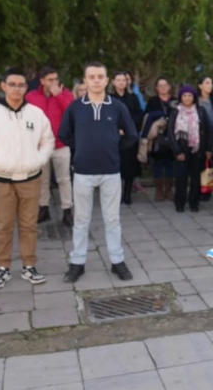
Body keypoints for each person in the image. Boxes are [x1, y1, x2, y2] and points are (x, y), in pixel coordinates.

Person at [0, 68, 54, 289]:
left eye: (21, 85)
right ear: (3, 86)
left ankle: (29, 266)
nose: (17, 88)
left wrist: (38, 159)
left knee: (29, 225)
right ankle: (3, 267)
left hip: (30, 177)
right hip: (1, 179)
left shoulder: (35, 114)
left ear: (26, 88)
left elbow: (48, 141)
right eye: (13, 84)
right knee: (3, 225)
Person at [59, 62, 138, 283]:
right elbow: (63, 134)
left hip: (111, 172)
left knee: (112, 219)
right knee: (81, 219)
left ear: (106, 80)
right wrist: (82, 147)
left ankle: (117, 261)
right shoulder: (75, 107)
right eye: (91, 77)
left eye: (100, 76)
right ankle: (77, 263)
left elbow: (131, 135)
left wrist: (113, 146)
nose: (95, 80)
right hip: (83, 172)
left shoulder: (117, 106)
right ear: (85, 81)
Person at [25, 67, 75, 226]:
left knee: (64, 179)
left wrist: (58, 96)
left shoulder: (65, 94)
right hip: (41, 146)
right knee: (42, 180)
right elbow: (28, 120)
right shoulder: (32, 96)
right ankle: (43, 209)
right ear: (42, 81)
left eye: (56, 79)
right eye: (50, 80)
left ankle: (67, 210)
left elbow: (71, 112)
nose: (54, 82)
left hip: (61, 144)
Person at [168, 85, 213, 212]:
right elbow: (171, 133)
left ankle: (194, 203)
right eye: (184, 95)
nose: (187, 98)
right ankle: (179, 203)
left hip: (197, 150)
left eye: (190, 95)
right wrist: (177, 151)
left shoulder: (200, 111)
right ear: (180, 97)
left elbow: (208, 130)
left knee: (195, 179)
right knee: (180, 179)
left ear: (194, 97)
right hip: (181, 150)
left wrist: (208, 148)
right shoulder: (175, 111)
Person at [109, 71, 143, 205]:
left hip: (129, 137)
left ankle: (127, 193)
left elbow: (138, 115)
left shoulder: (133, 97)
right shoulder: (109, 98)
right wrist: (117, 128)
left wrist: (128, 128)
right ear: (113, 82)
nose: (121, 82)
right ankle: (116, 194)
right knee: (116, 167)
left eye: (124, 80)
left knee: (129, 166)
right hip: (114, 137)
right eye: (118, 80)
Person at [145, 76, 178, 202]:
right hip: (157, 137)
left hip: (172, 136)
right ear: (156, 88)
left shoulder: (175, 101)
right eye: (160, 85)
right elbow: (147, 117)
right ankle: (159, 190)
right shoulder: (152, 101)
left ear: (169, 87)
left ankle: (169, 190)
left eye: (165, 85)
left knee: (170, 164)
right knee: (158, 164)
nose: (163, 88)